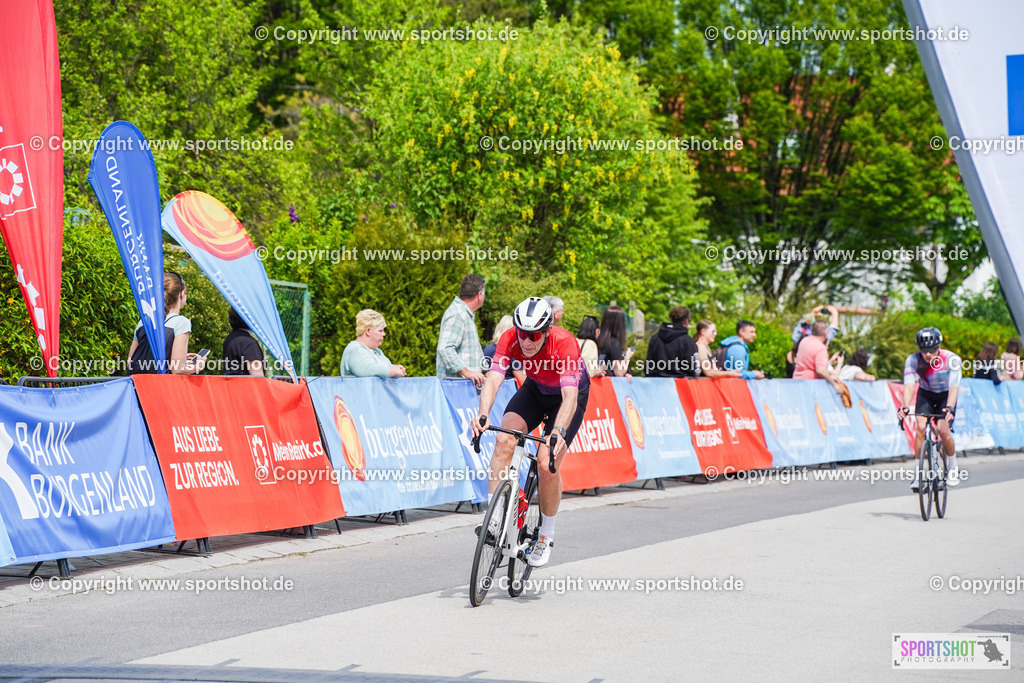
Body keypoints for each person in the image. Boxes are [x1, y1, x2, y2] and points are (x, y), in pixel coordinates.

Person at [471, 297, 590, 568]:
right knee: (503, 439)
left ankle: (546, 535)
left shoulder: (564, 343)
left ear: (547, 331)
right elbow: (494, 377)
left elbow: (570, 396)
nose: (527, 341)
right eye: (523, 333)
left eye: (534, 335)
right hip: (536, 390)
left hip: (567, 397)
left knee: (547, 462)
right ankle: (495, 517)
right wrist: (483, 413)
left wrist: (558, 430)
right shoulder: (510, 338)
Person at [896, 327, 961, 490]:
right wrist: (905, 407)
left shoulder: (951, 359)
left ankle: (952, 469)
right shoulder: (912, 360)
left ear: (939, 347)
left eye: (932, 349)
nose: (928, 354)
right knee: (919, 427)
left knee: (943, 430)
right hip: (926, 393)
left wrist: (950, 408)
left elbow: (954, 387)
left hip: (946, 394)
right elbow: (909, 385)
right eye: (924, 350)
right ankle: (918, 475)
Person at [127, 271, 204, 375]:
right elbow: (177, 369)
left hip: (136, 385)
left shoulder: (144, 321)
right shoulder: (181, 322)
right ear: (181, 294)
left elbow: (129, 362)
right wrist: (197, 365)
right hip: (158, 387)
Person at [436, 274, 486, 385]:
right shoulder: (458, 314)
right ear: (479, 295)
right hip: (456, 388)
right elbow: (445, 348)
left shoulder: (464, 313)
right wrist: (467, 372)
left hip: (463, 387)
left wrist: (486, 370)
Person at [340, 309, 406, 378]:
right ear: (368, 331)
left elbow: (387, 367)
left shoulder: (377, 351)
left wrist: (397, 369)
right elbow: (367, 370)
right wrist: (392, 371)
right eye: (380, 331)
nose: (384, 334)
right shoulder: (354, 349)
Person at [793, 321, 847, 397]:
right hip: (811, 386)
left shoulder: (804, 341)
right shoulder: (820, 348)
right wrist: (834, 384)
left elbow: (809, 364)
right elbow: (820, 370)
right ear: (825, 334)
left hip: (796, 382)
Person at [645, 306, 699, 378]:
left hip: (657, 384)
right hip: (681, 385)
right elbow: (694, 369)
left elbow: (648, 366)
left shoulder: (655, 338)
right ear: (686, 321)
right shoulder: (688, 341)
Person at [222, 308, 265, 376]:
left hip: (231, 385)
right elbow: (258, 377)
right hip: (246, 386)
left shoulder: (230, 338)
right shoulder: (249, 343)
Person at [597, 305, 634, 377]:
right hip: (609, 384)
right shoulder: (614, 343)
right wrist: (627, 358)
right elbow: (619, 372)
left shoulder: (598, 340)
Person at [483, 315, 522, 380]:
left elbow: (482, 371)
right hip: (508, 388)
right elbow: (522, 379)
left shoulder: (487, 350)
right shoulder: (513, 353)